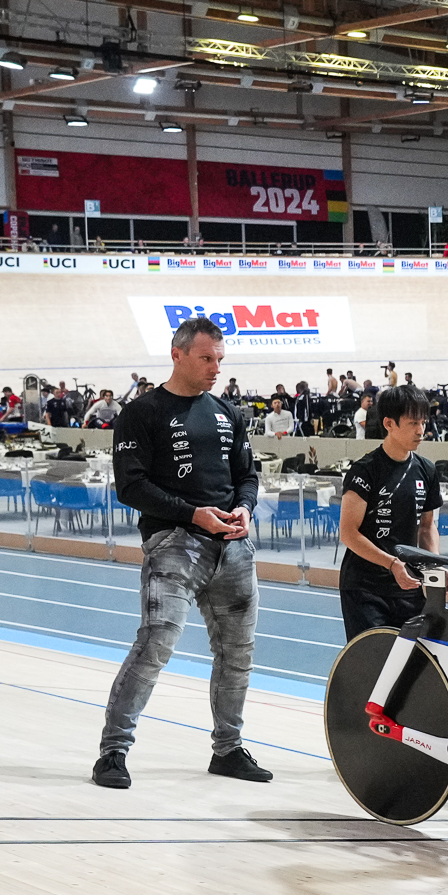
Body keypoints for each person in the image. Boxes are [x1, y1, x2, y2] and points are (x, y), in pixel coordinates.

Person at [93, 316, 264, 789]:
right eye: (207, 359)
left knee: (238, 653)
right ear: (178, 354)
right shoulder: (141, 413)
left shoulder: (227, 412)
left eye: (220, 360)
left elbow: (247, 475)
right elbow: (131, 486)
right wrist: (194, 515)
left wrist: (245, 510)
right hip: (173, 545)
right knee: (155, 645)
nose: (216, 368)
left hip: (232, 545)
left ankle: (228, 750)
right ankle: (113, 752)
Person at [336, 386, 448, 640]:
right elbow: (348, 533)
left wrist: (435, 567)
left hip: (408, 584)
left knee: (412, 665)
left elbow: (426, 526)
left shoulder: (427, 470)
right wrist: (391, 563)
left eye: (423, 422)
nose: (421, 431)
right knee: (374, 663)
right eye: (412, 423)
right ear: (389, 423)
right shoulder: (364, 471)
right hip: (365, 588)